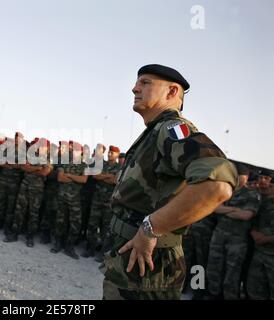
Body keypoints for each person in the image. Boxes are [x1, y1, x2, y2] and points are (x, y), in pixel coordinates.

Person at [101, 64, 238, 300]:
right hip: (132, 261)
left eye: (145, 83)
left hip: (148, 269)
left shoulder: (172, 128)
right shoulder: (155, 131)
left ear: (172, 92)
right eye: (137, 82)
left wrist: (151, 228)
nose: (134, 88)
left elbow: (217, 183)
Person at [206, 164, 261, 299]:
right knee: (213, 268)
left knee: (232, 273)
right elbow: (214, 208)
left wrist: (225, 210)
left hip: (237, 240)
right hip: (219, 235)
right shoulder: (226, 189)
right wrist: (234, 210)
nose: (236, 178)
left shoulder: (252, 194)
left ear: (246, 176)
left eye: (240, 175)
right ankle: (213, 294)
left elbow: (246, 215)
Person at [51, 141, 88, 259]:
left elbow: (83, 180)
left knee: (75, 223)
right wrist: (75, 178)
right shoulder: (64, 162)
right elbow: (60, 178)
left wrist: (70, 176)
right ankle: (58, 244)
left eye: (77, 150)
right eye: (74, 150)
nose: (75, 151)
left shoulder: (84, 165)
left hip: (75, 199)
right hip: (62, 197)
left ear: (81, 152)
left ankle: (69, 246)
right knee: (60, 221)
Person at [246, 170, 274, 299]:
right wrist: (254, 233)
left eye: (267, 180)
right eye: (260, 178)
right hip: (259, 252)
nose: (263, 183)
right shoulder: (261, 201)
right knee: (254, 288)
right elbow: (254, 221)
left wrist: (266, 238)